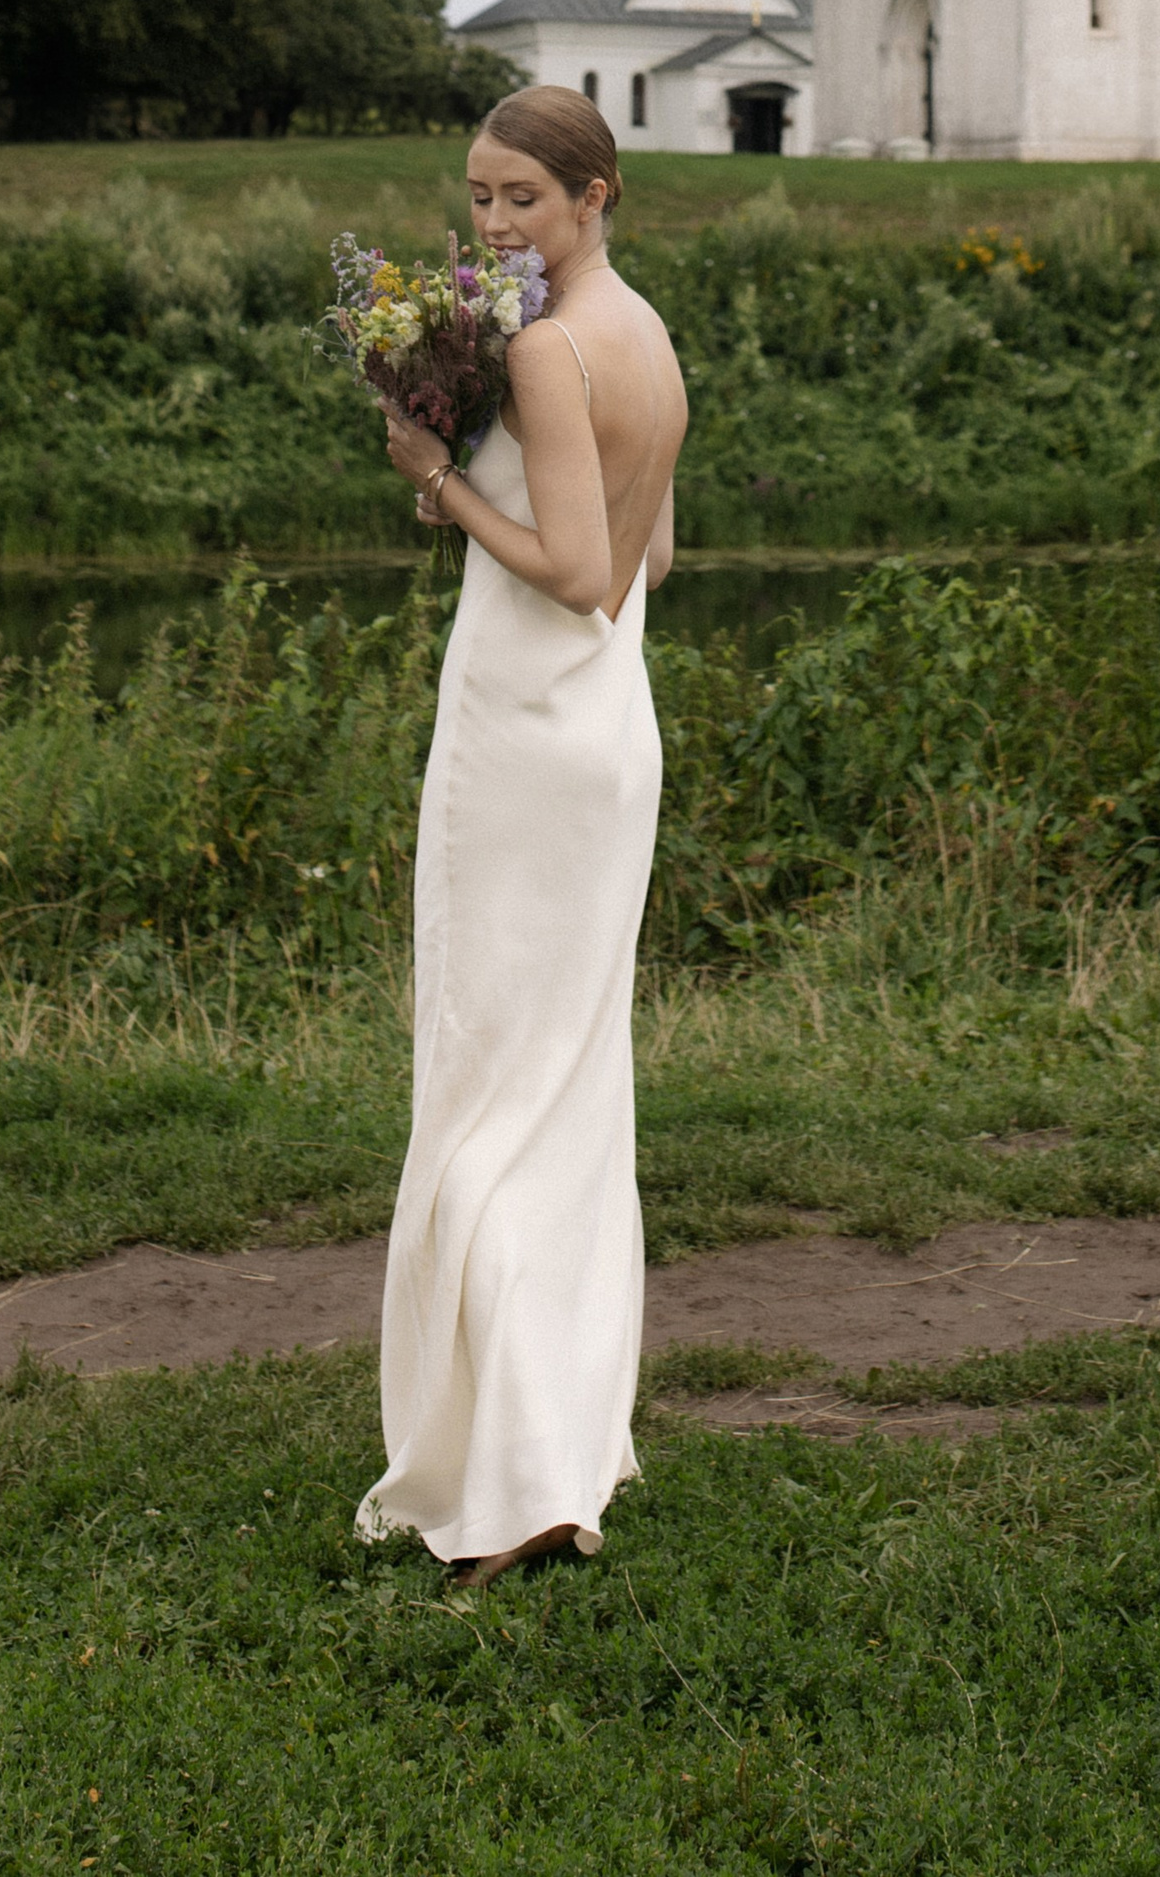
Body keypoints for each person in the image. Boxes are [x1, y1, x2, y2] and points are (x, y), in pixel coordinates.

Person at [353, 84, 688, 1582]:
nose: (493, 222)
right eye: (479, 195)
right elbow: (648, 557)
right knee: (567, 1086)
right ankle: (563, 1445)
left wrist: (437, 480)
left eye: (523, 199)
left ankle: (517, 1483)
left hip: (527, 737)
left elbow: (570, 572)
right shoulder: (646, 333)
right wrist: (487, 486)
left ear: (595, 194)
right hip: (607, 734)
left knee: (492, 1079)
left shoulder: (547, 348)